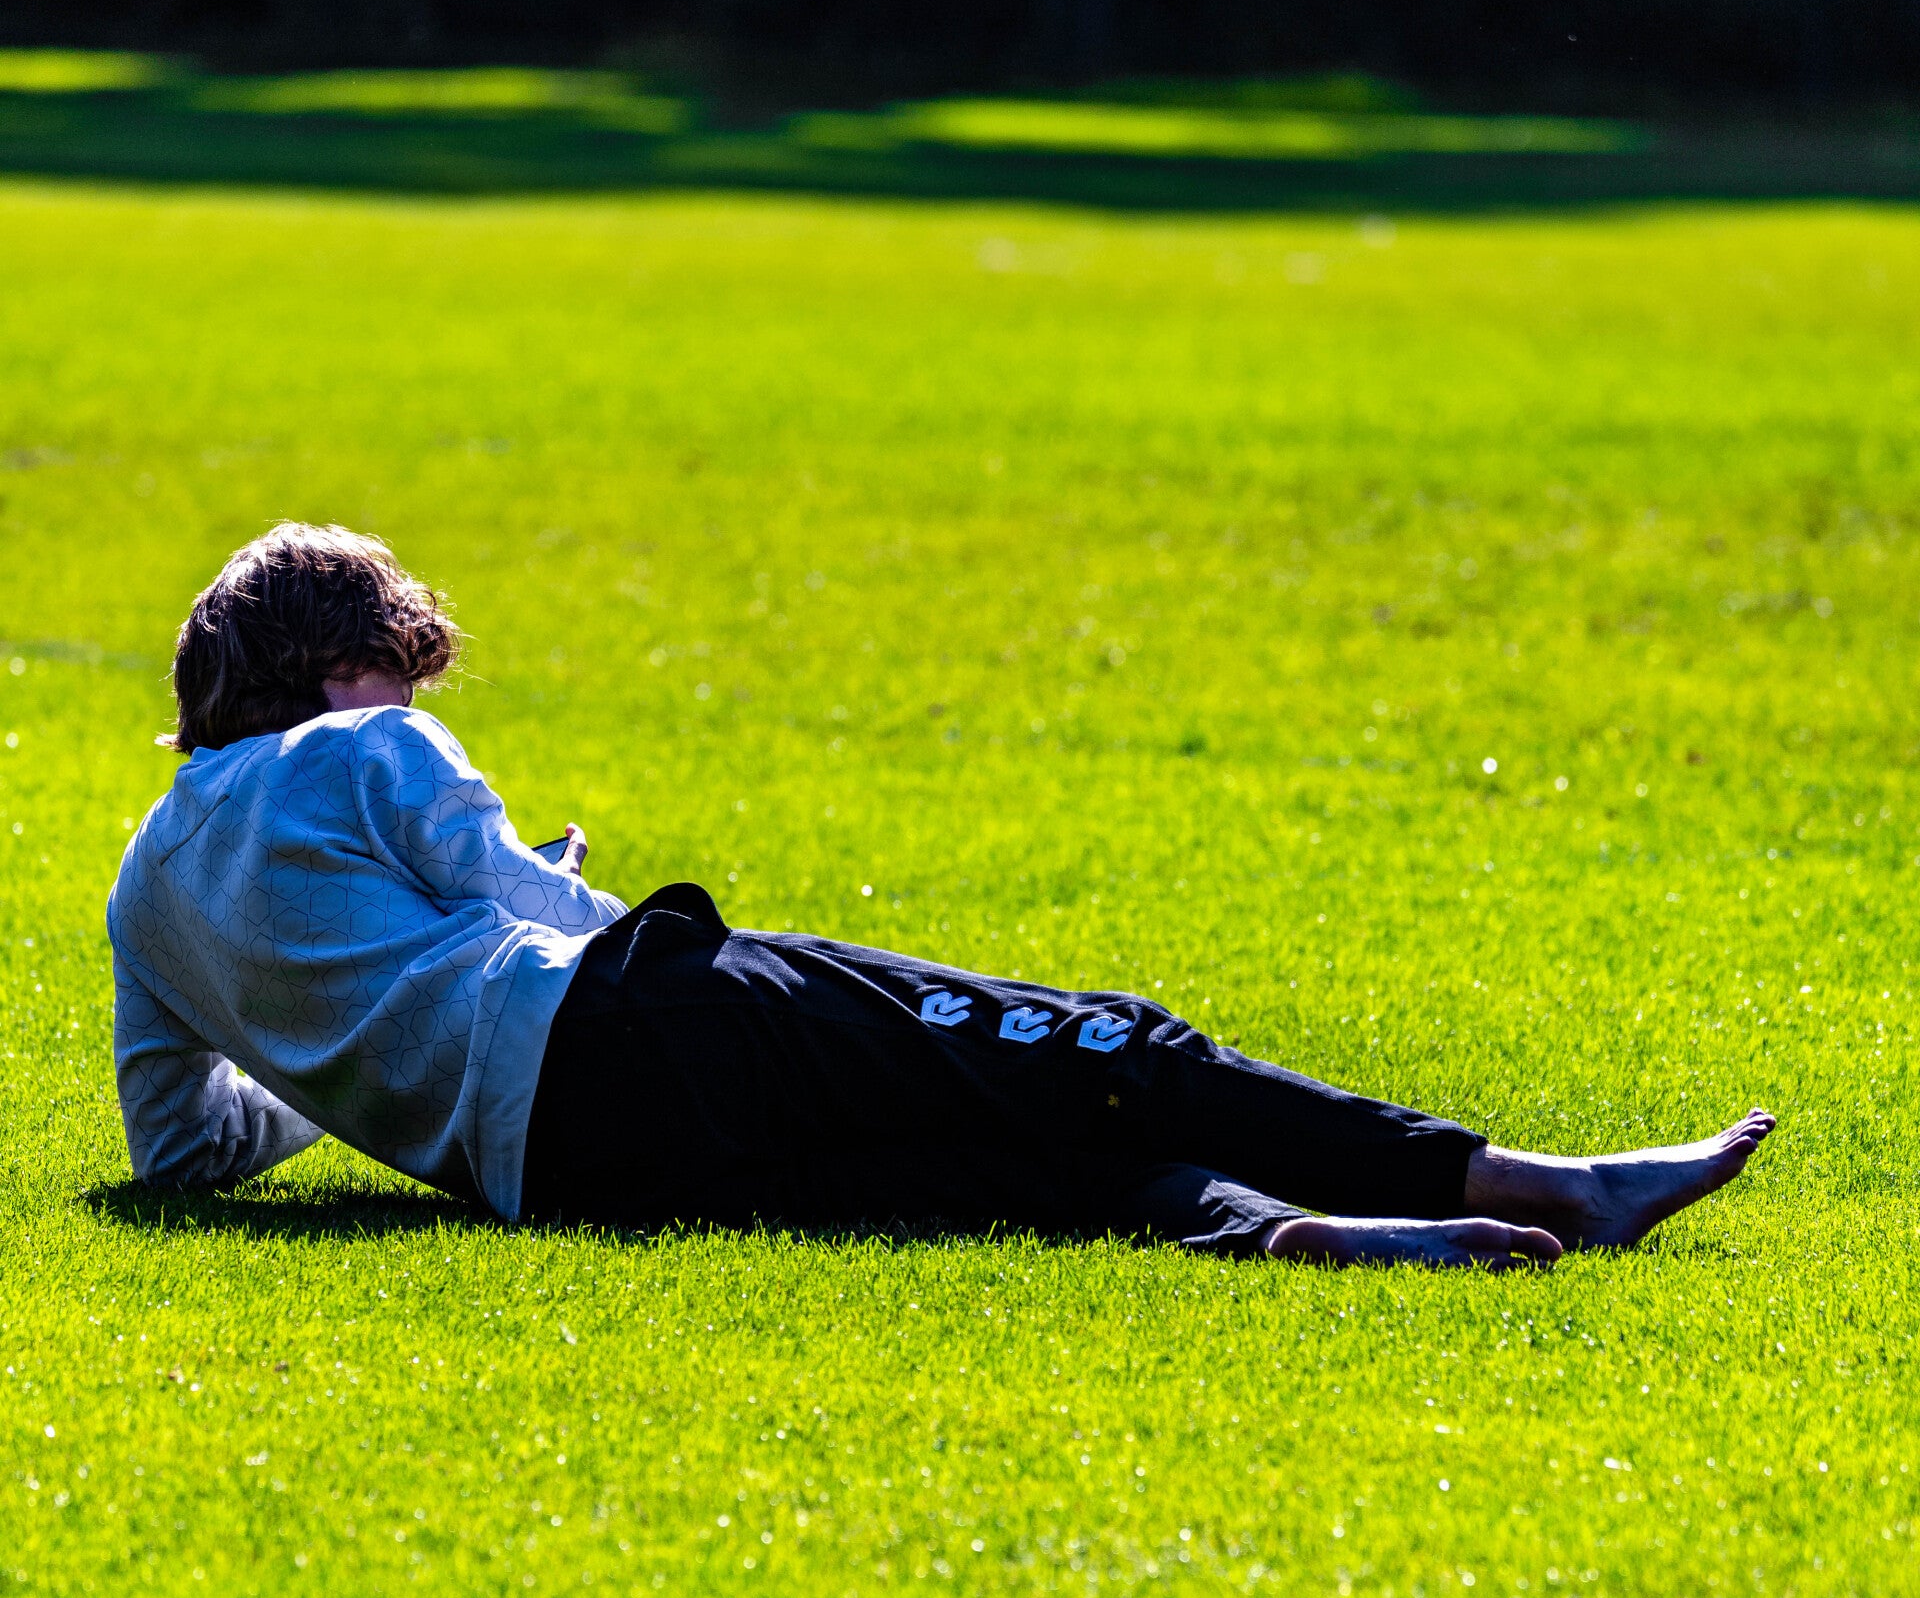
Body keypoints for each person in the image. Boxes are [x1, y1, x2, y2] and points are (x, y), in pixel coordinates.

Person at [109, 524, 1775, 1271]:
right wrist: (546, 896)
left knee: (986, 1176)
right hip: (641, 1019)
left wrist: (358, 1050)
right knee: (1085, 1046)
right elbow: (518, 905)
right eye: (391, 670)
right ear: (343, 671)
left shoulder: (145, 891)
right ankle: (1533, 1176)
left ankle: (1313, 1237)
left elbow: (185, 1154)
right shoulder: (357, 750)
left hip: (555, 1173)